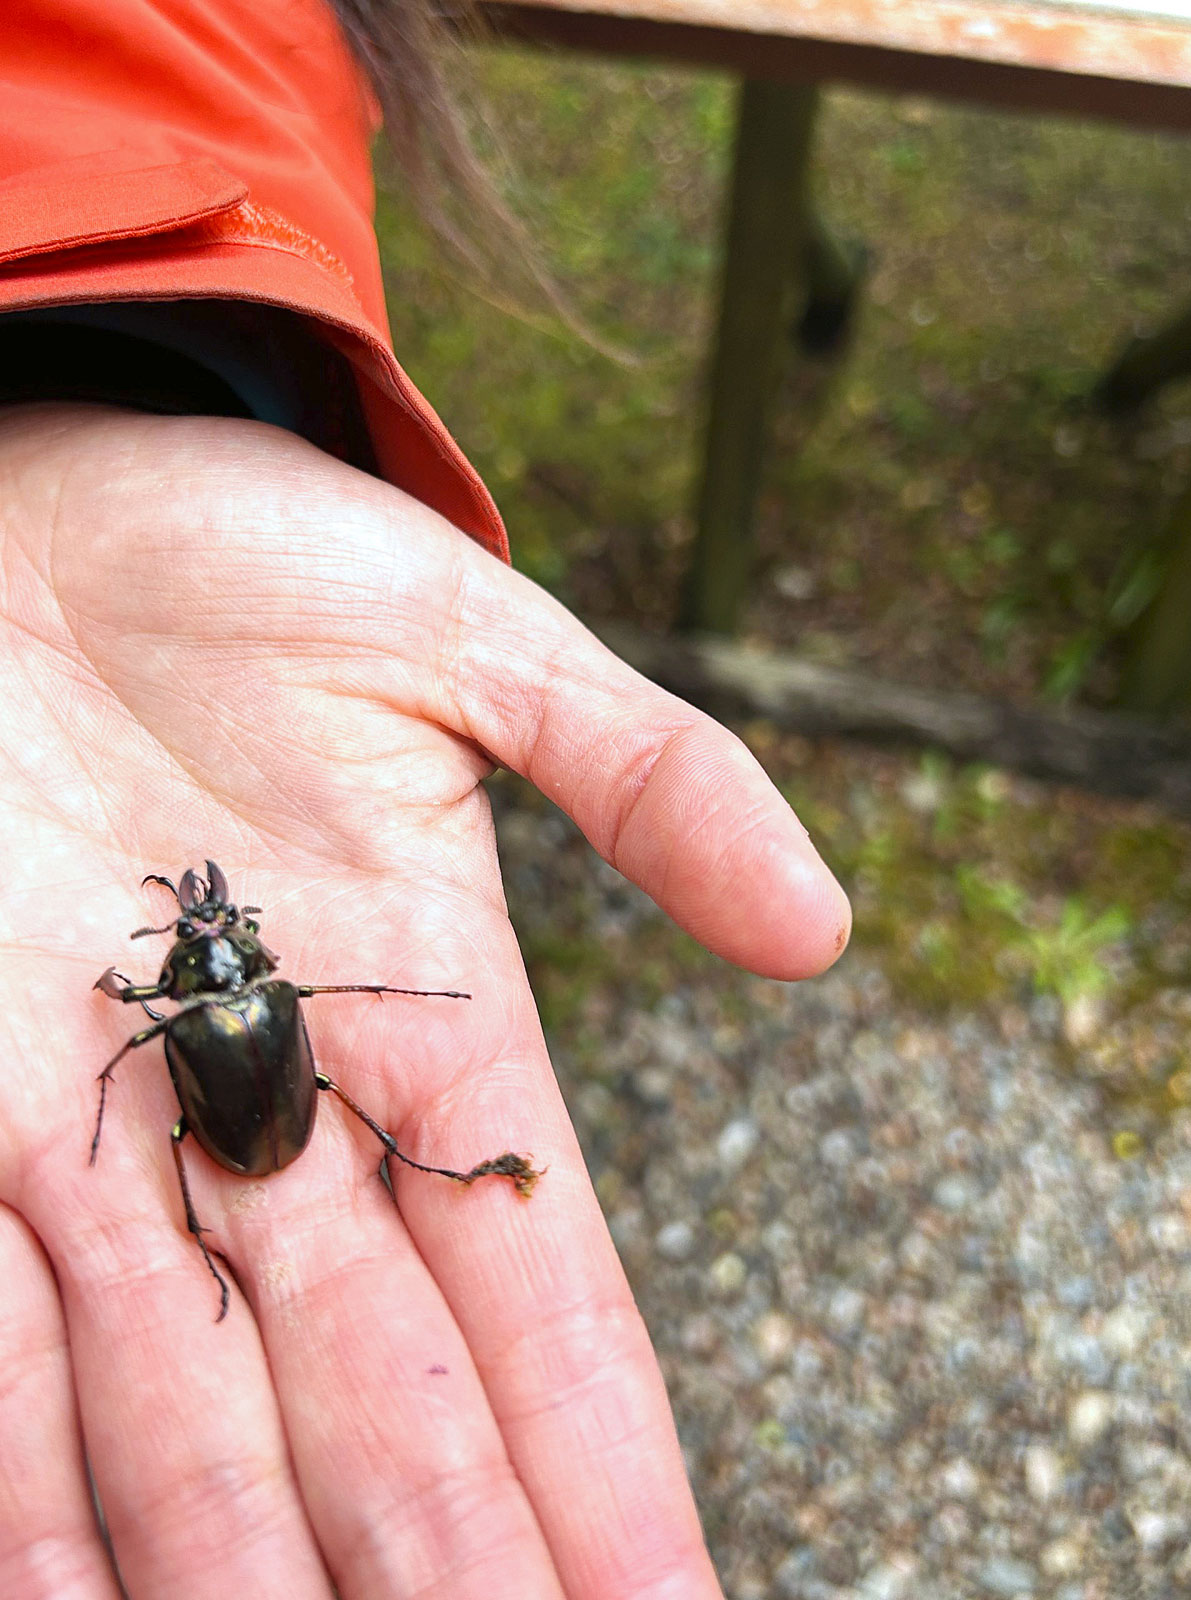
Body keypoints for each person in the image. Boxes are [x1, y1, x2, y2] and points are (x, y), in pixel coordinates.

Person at [0, 4, 851, 1597]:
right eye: (216, 939)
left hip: (236, 1112)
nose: (212, 933)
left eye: (210, 941)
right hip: (261, 1105)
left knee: (289, 1139)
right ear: (233, 968)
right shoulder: (230, 1008)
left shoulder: (173, 1025)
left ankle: (279, 1225)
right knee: (332, 1127)